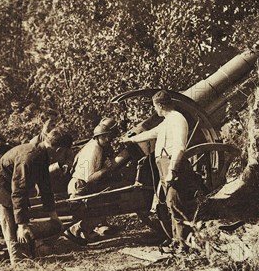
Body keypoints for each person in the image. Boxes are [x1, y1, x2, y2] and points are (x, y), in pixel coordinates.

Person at [0, 127, 74, 265]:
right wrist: (21, 224)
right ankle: (18, 264)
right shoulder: (30, 157)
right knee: (11, 226)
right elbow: (18, 191)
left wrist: (53, 215)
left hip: (12, 189)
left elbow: (46, 187)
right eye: (66, 153)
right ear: (59, 150)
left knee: (26, 221)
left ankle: (31, 253)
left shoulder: (43, 154)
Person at [122, 90, 191, 248]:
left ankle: (184, 243)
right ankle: (177, 240)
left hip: (172, 165)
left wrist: (172, 170)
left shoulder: (178, 119)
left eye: (155, 107)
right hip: (163, 165)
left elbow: (180, 147)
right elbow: (153, 133)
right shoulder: (168, 120)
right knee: (169, 203)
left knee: (175, 203)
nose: (155, 110)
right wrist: (131, 140)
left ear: (160, 105)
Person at [64, 118, 121, 244]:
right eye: (104, 137)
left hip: (82, 185)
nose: (108, 140)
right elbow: (89, 178)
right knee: (102, 210)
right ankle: (74, 230)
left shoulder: (97, 145)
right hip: (80, 187)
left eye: (109, 136)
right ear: (98, 136)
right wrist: (106, 169)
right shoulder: (93, 150)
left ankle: (85, 233)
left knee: (103, 204)